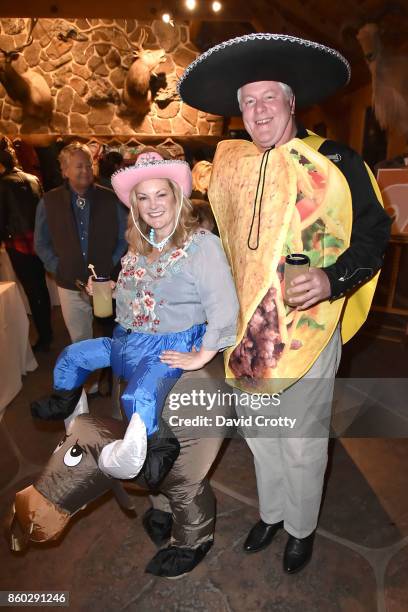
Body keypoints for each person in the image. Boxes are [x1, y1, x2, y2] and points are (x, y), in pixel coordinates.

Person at [178, 33, 392, 574]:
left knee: (301, 443)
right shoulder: (235, 167)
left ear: (292, 102)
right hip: (246, 335)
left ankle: (300, 529)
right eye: (247, 101)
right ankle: (272, 513)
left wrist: (332, 279)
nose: (257, 110)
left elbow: (373, 233)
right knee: (260, 437)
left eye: (268, 97)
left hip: (305, 331)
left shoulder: (336, 160)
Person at [31, 150, 239, 578]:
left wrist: (205, 350)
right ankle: (159, 501)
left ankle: (193, 538)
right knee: (126, 416)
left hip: (181, 363)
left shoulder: (202, 245)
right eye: (142, 198)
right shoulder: (137, 248)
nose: (152, 205)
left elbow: (224, 306)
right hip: (131, 351)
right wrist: (101, 291)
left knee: (181, 463)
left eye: (160, 194)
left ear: (177, 196)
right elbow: (126, 309)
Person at [34, 142, 128, 344]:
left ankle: (112, 374)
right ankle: (87, 374)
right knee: (80, 339)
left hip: (105, 284)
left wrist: (110, 263)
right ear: (64, 170)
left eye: (88, 165)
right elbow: (41, 242)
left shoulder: (111, 199)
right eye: (79, 166)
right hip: (69, 285)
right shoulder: (49, 201)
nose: (86, 170)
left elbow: (125, 238)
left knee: (111, 335)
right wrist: (59, 268)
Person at [0, 147, 53, 351]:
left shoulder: (2, 184)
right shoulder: (33, 178)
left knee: (33, 291)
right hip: (38, 241)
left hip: (18, 243)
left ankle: (44, 337)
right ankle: (47, 332)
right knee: (40, 288)